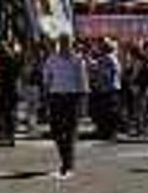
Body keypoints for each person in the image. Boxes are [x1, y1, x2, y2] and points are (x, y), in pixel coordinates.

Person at [43, 34, 88, 178]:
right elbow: (47, 78)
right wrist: (46, 96)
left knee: (70, 132)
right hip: (56, 97)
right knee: (56, 131)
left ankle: (67, 164)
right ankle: (65, 158)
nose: (64, 45)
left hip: (72, 98)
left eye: (67, 43)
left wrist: (83, 100)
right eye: (62, 43)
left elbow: (82, 81)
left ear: (71, 44)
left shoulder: (78, 59)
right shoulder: (52, 59)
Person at [90, 38, 122, 140]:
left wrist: (96, 72)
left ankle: (106, 132)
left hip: (107, 89)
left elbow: (105, 74)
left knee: (105, 113)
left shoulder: (106, 59)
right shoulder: (114, 58)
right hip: (113, 88)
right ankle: (110, 132)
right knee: (111, 113)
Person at [0, 37, 21, 144]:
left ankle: (5, 134)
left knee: (3, 112)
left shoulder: (2, 61)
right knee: (11, 112)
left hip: (4, 89)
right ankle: (11, 135)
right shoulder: (14, 59)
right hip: (12, 88)